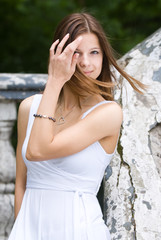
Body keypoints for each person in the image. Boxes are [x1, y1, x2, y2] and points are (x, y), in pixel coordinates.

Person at [8, 12, 145, 240]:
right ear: (59, 54)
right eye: (75, 52)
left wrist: (54, 81)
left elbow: (38, 150)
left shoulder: (108, 114)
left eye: (94, 52)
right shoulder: (29, 108)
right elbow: (21, 182)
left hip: (79, 231)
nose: (85, 62)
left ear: (103, 57)